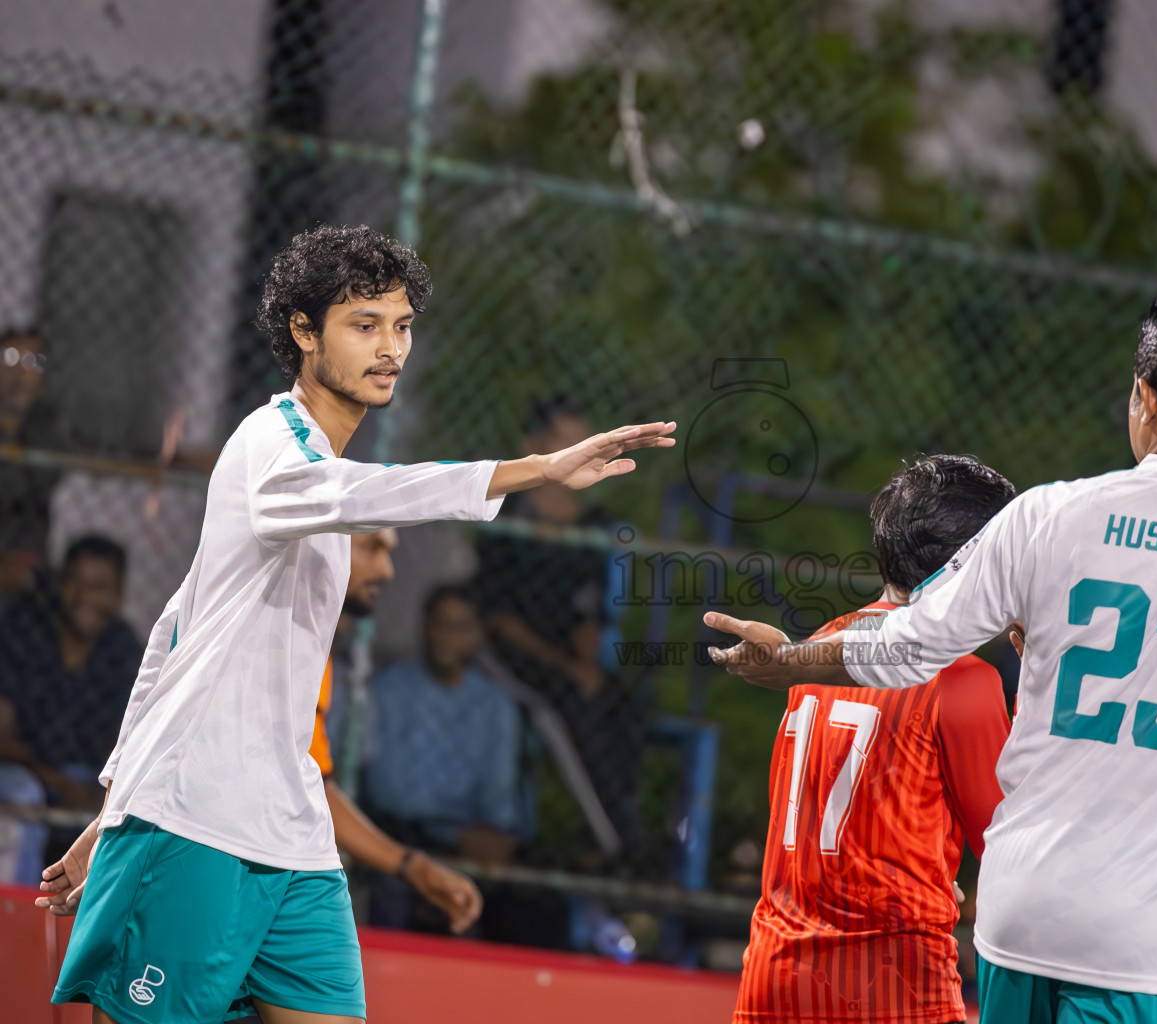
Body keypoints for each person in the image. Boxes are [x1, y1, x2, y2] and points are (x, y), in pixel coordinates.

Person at [36, 223, 675, 1024]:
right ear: (304, 332)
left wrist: (108, 806)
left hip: (294, 835)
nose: (391, 348)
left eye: (402, 326)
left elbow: (177, 636)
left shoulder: (320, 469)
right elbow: (370, 495)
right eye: (364, 325)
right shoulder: (272, 446)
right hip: (195, 821)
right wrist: (539, 470)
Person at [707, 285, 1157, 1022]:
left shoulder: (1049, 514)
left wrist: (788, 663)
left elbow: (910, 642)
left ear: (1144, 397)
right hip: (1150, 938)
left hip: (1021, 908)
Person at [734, 453, 1015, 1024]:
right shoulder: (962, 680)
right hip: (890, 980)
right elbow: (1011, 848)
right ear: (972, 567)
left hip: (774, 970)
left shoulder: (822, 645)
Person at [478, 396, 645, 849]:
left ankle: (623, 825)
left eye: (583, 441)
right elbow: (500, 620)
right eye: (564, 441)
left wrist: (585, 657)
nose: (578, 451)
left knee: (623, 703)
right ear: (534, 444)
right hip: (512, 653)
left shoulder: (595, 525)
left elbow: (591, 610)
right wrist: (569, 667)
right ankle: (618, 844)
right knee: (569, 705)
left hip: (569, 655)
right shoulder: (503, 515)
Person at [308, 528, 484, 935]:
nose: (387, 571)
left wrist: (412, 867)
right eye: (372, 548)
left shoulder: (319, 650)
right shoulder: (272, 636)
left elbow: (315, 784)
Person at [364, 585, 522, 870]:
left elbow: (498, 790)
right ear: (425, 628)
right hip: (400, 829)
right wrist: (450, 833)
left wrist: (492, 835)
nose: (448, 637)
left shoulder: (495, 704)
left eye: (461, 627)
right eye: (441, 625)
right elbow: (389, 791)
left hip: (469, 836)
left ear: (479, 635)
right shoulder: (388, 688)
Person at [0, 535, 142, 809]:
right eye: (75, 582)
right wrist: (58, 782)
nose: (84, 596)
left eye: (98, 587)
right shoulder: (25, 633)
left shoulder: (122, 651)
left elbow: (126, 746)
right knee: (24, 792)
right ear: (61, 586)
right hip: (21, 773)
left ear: (118, 595)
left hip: (84, 775)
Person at [0, 328, 65, 598]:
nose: (20, 370)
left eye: (33, 361)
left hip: (23, 555)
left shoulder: (49, 428)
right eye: (11, 356)